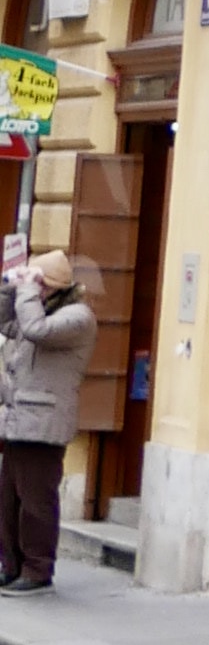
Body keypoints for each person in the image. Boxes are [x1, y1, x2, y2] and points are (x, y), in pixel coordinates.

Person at [0, 245, 94, 591]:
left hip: (44, 423)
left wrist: (26, 289)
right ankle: (11, 566)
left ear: (52, 285)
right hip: (18, 419)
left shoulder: (77, 318)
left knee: (36, 503)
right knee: (8, 501)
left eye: (37, 281)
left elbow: (35, 329)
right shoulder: (38, 309)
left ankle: (37, 570)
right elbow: (6, 322)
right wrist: (9, 287)